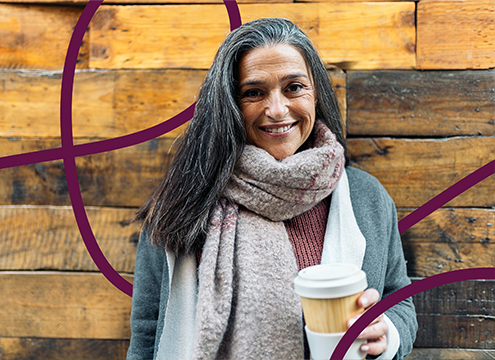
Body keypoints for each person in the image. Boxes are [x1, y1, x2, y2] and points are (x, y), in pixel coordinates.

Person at [126, 18, 417, 360]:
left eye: (294, 87)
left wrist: (387, 334)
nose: (277, 110)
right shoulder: (184, 201)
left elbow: (399, 299)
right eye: (254, 92)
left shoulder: (366, 197)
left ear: (316, 92)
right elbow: (148, 332)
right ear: (229, 104)